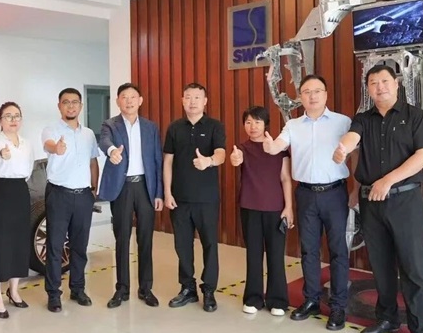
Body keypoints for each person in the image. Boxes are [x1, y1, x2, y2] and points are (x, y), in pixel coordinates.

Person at [334, 64, 423, 333]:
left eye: (385, 81)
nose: (380, 87)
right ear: (368, 88)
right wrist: (342, 149)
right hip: (371, 203)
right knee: (381, 265)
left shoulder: (414, 116)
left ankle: (420, 332)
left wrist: (388, 180)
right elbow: (353, 138)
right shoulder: (363, 119)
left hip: (405, 201)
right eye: (373, 82)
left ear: (396, 83)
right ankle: (387, 318)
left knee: (413, 268)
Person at [262, 74, 351, 330]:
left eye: (317, 91)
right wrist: (270, 147)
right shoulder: (293, 125)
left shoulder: (343, 122)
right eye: (306, 92)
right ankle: (311, 300)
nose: (312, 96)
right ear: (300, 97)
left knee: (338, 250)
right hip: (306, 193)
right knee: (308, 250)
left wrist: (355, 189)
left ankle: (338, 306)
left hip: (335, 193)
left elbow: (354, 155)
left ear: (326, 94)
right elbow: (278, 145)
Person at [98, 83, 163, 309]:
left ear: (140, 100)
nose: (128, 101)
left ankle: (146, 289)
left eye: (133, 97)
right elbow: (104, 141)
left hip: (145, 187)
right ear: (118, 101)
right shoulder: (110, 124)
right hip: (122, 188)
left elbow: (157, 160)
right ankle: (122, 289)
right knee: (122, 238)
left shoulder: (150, 127)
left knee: (145, 239)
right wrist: (111, 152)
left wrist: (158, 193)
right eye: (124, 97)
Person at [163, 82, 226, 312]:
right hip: (179, 199)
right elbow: (168, 162)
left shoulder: (215, 126)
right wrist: (167, 192)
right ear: (182, 100)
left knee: (209, 245)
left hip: (207, 199)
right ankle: (187, 288)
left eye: (197, 97)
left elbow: (221, 153)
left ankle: (209, 290)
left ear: (205, 101)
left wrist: (208, 161)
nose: (192, 101)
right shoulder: (174, 128)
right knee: (182, 246)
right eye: (188, 97)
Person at [229, 106, 293, 316]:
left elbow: (285, 178)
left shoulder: (278, 148)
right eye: (248, 122)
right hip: (250, 208)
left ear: (266, 124)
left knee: (276, 256)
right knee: (253, 255)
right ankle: (253, 298)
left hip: (276, 209)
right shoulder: (242, 148)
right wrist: (235, 159)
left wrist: (289, 207)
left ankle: (278, 300)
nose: (252, 126)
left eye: (257, 122)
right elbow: (235, 159)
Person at [41, 88, 100, 313]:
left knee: (80, 246)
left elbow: (93, 162)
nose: (71, 106)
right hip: (59, 195)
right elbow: (48, 145)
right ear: (59, 106)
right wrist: (56, 148)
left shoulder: (89, 134)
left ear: (81, 106)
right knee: (55, 246)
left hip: (83, 195)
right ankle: (53, 294)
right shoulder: (51, 130)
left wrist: (94, 189)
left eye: (75, 102)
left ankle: (78, 289)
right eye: (66, 102)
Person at [0, 102, 34, 318]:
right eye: (8, 116)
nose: (13, 120)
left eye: (17, 116)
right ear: (0, 120)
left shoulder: (27, 143)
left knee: (19, 241)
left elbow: (29, 168)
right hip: (0, 192)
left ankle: (13, 290)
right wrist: (3, 153)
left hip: (20, 191)